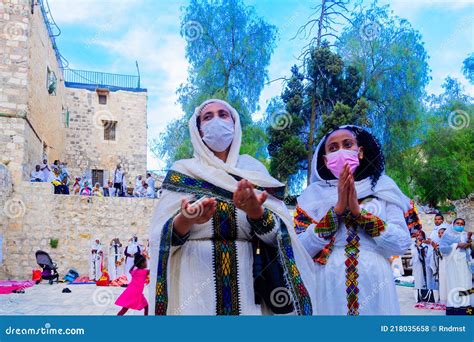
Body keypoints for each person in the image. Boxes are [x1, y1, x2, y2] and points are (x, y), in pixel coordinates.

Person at [148, 99, 314, 316]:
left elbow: (281, 237)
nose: (216, 120)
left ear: (235, 124)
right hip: (195, 285)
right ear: (197, 129)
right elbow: (160, 238)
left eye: (223, 115)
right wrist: (186, 219)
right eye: (208, 117)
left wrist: (257, 214)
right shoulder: (184, 171)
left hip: (248, 283)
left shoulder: (254, 171)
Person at [294, 125, 413, 315]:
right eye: (333, 148)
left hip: (375, 279)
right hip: (328, 281)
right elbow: (300, 249)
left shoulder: (384, 189)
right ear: (325, 160)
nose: (340, 151)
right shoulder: (312, 198)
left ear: (360, 152)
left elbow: (400, 243)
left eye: (347, 144)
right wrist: (336, 211)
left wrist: (360, 214)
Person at [439, 218, 473, 315]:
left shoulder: (465, 234)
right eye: (457, 223)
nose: (460, 225)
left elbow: (471, 249)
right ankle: (455, 309)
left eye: (462, 224)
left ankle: (466, 309)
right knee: (454, 285)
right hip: (453, 265)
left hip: (464, 265)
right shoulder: (447, 235)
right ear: (453, 224)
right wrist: (457, 245)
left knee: (465, 285)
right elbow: (443, 249)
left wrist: (469, 240)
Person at [411, 230, 435, 303]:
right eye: (417, 235)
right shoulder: (413, 244)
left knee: (427, 279)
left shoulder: (427, 244)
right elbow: (414, 255)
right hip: (418, 265)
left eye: (420, 235)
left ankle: (428, 295)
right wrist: (418, 247)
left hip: (426, 265)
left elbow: (429, 254)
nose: (419, 236)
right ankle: (419, 295)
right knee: (419, 279)